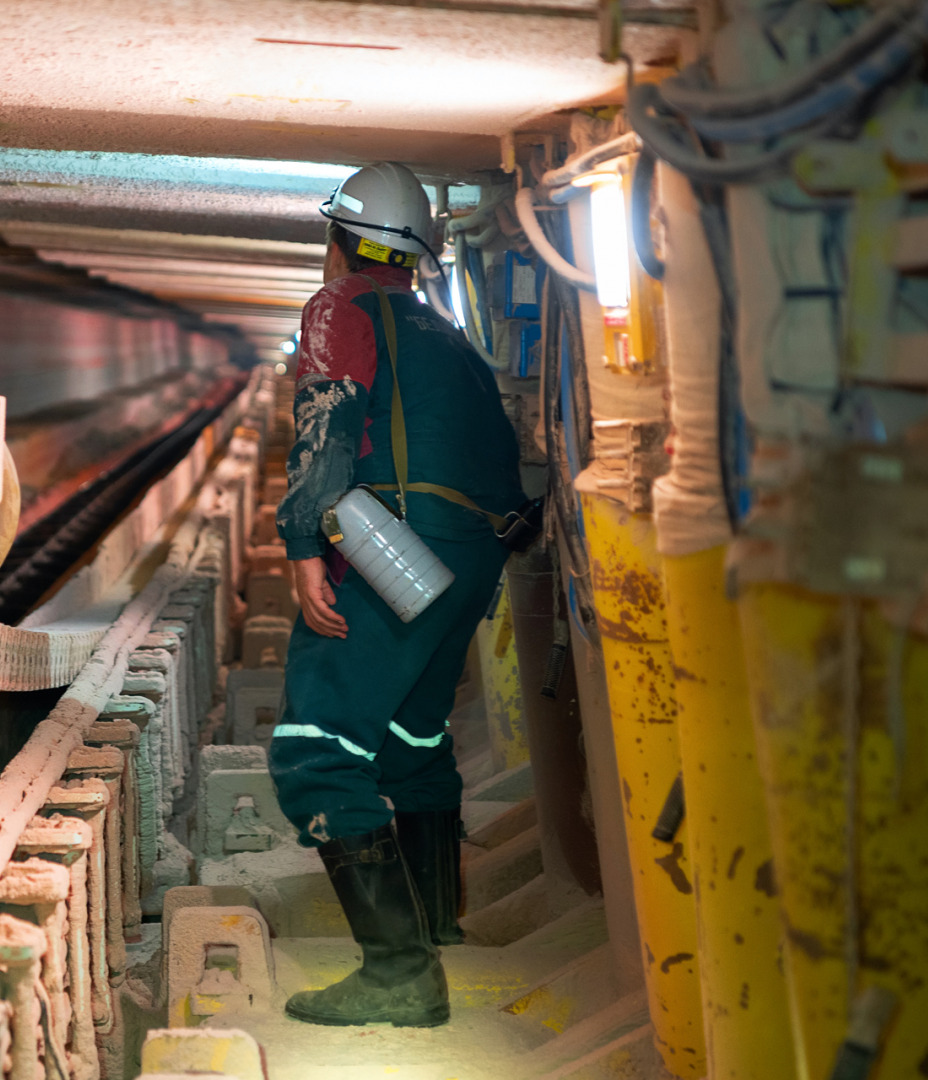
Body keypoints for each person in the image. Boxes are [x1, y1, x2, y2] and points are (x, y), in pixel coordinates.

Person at [269, 161, 526, 1028]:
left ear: (338, 240)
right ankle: (436, 931)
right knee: (411, 742)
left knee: (316, 749)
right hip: (469, 561)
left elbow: (328, 422)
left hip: (390, 553)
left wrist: (305, 542)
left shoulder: (337, 310)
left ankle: (398, 974)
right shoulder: (448, 332)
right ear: (417, 254)